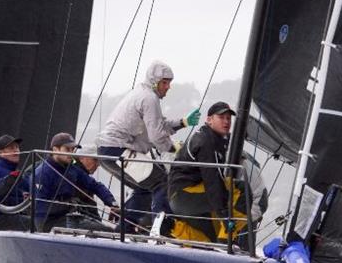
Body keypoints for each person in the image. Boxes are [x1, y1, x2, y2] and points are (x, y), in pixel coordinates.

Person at [96, 60, 200, 234]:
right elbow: (157, 136)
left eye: (169, 83)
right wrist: (174, 149)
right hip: (118, 149)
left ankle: (122, 230)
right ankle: (160, 231)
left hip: (106, 152)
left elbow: (158, 125)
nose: (168, 87)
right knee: (162, 181)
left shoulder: (142, 94)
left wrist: (182, 122)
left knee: (144, 187)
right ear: (154, 82)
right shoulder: (149, 98)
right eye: (165, 83)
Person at [168, 102, 247, 243]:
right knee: (241, 190)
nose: (226, 121)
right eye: (221, 117)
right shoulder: (207, 142)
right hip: (186, 196)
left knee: (208, 241)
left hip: (180, 198)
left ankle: (170, 227)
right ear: (209, 120)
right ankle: (226, 240)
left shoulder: (210, 136)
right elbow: (213, 179)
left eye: (229, 118)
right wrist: (224, 215)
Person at [34, 133, 118, 232]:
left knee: (108, 230)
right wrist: (69, 204)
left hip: (69, 217)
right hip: (49, 222)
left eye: (73, 149)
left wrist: (112, 204)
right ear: (55, 149)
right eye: (67, 149)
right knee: (104, 231)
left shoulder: (71, 169)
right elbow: (39, 207)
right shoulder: (42, 173)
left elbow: (94, 185)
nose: (72, 153)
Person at [0, 134, 30, 230]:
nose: (16, 150)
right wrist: (8, 180)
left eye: (17, 147)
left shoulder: (19, 173)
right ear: (0, 153)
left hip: (15, 216)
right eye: (11, 148)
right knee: (34, 224)